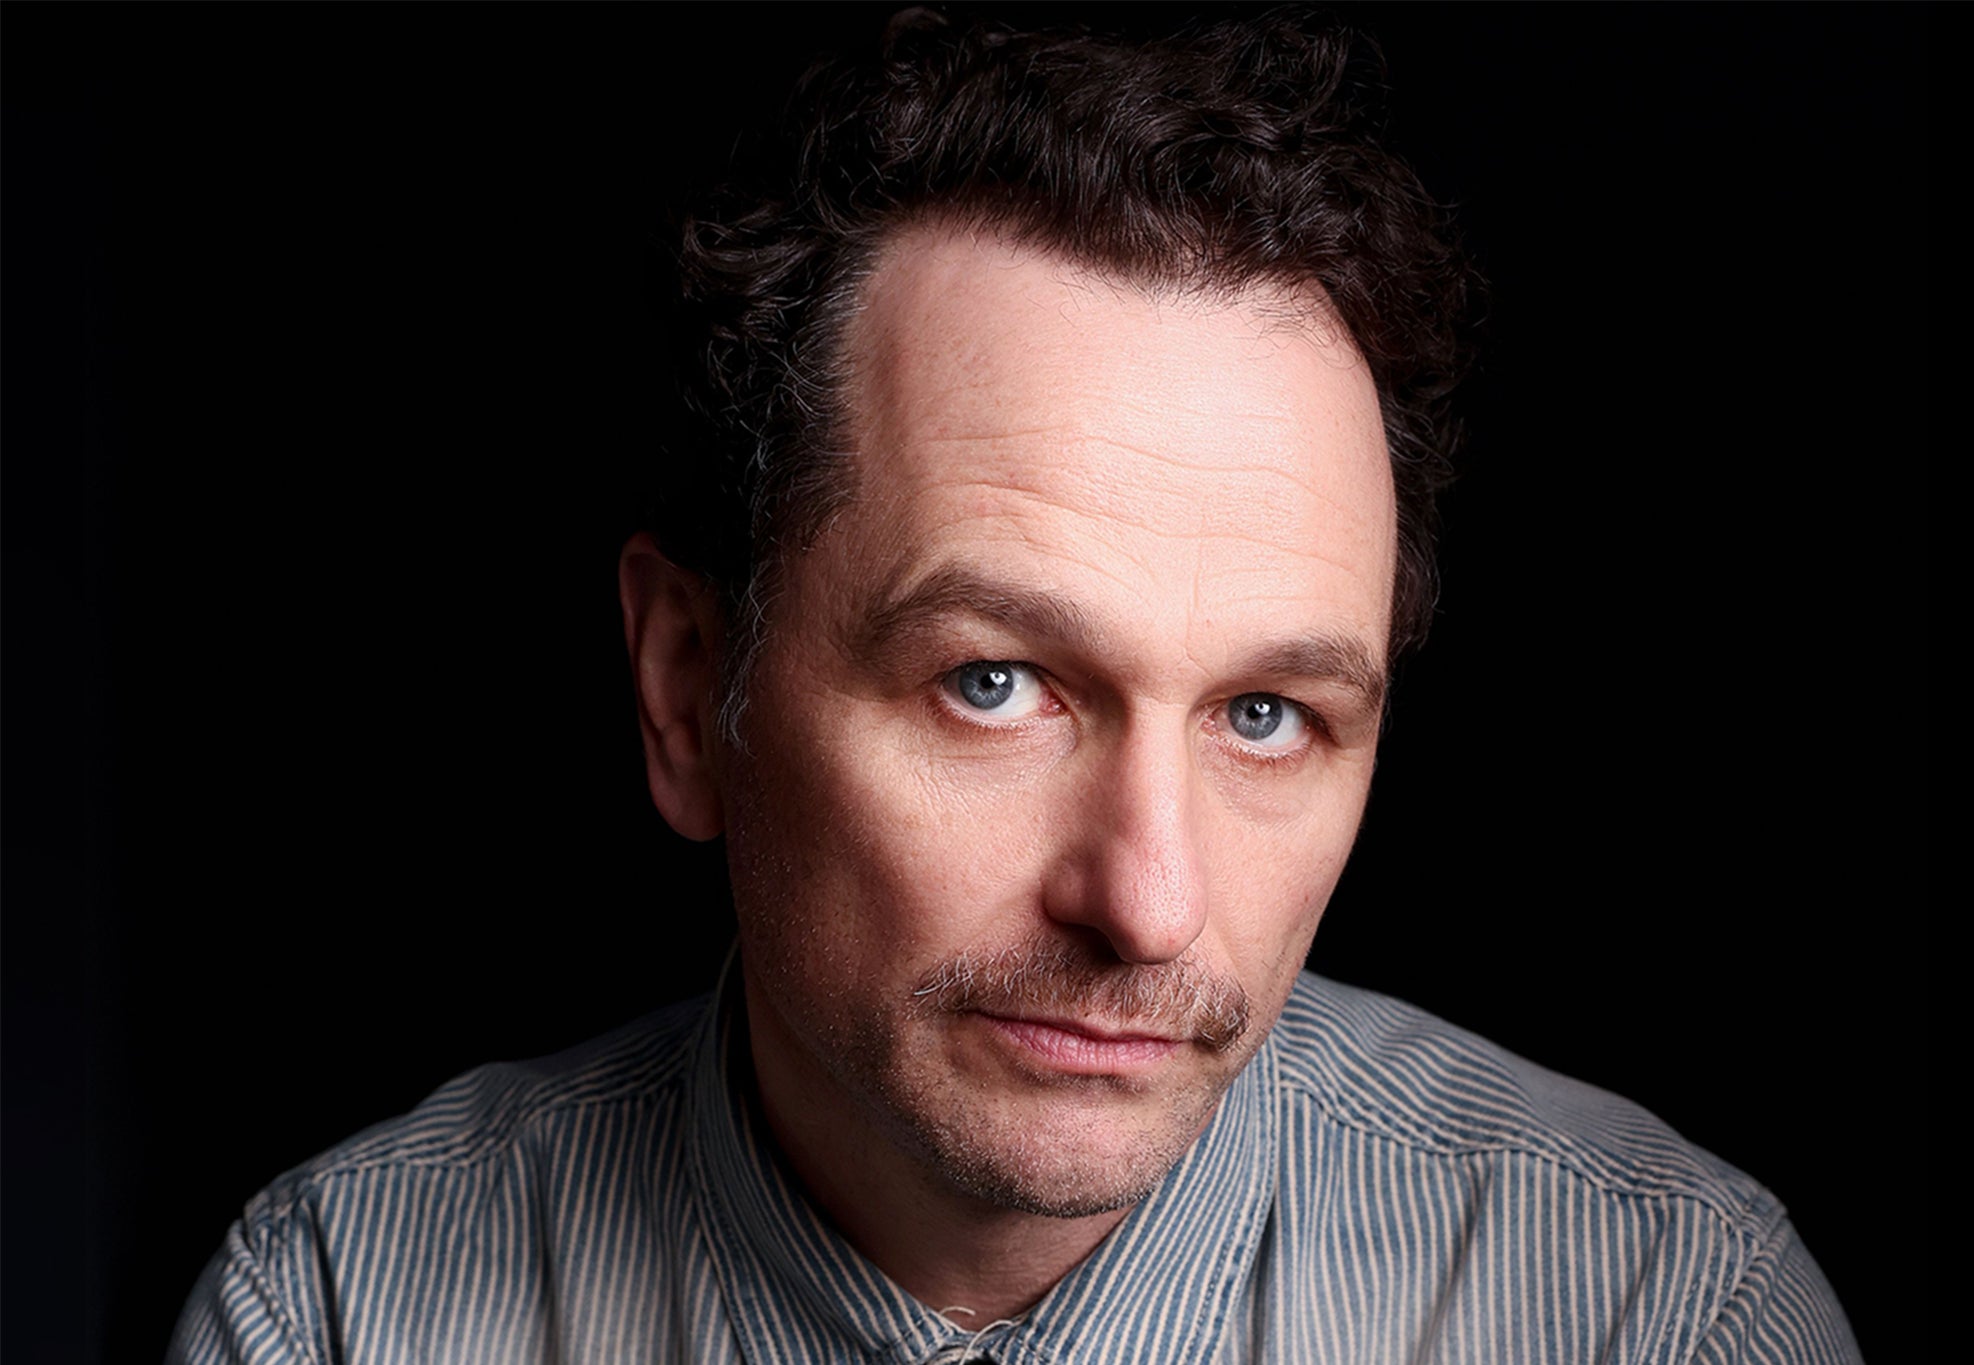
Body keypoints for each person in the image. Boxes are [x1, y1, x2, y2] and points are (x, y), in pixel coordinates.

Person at [170, 10, 1860, 1362]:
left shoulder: (1660, 1312)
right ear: (690, 688)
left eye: (1265, 717)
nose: (1149, 902)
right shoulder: (342, 1312)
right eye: (995, 682)